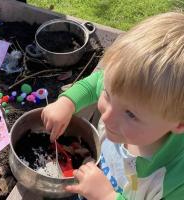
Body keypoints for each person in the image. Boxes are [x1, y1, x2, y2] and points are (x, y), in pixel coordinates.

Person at [41, 12, 184, 200]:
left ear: (180, 123)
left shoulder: (174, 182)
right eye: (108, 95)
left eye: (131, 114)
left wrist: (108, 196)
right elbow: (97, 82)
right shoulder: (128, 99)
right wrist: (67, 102)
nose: (107, 117)